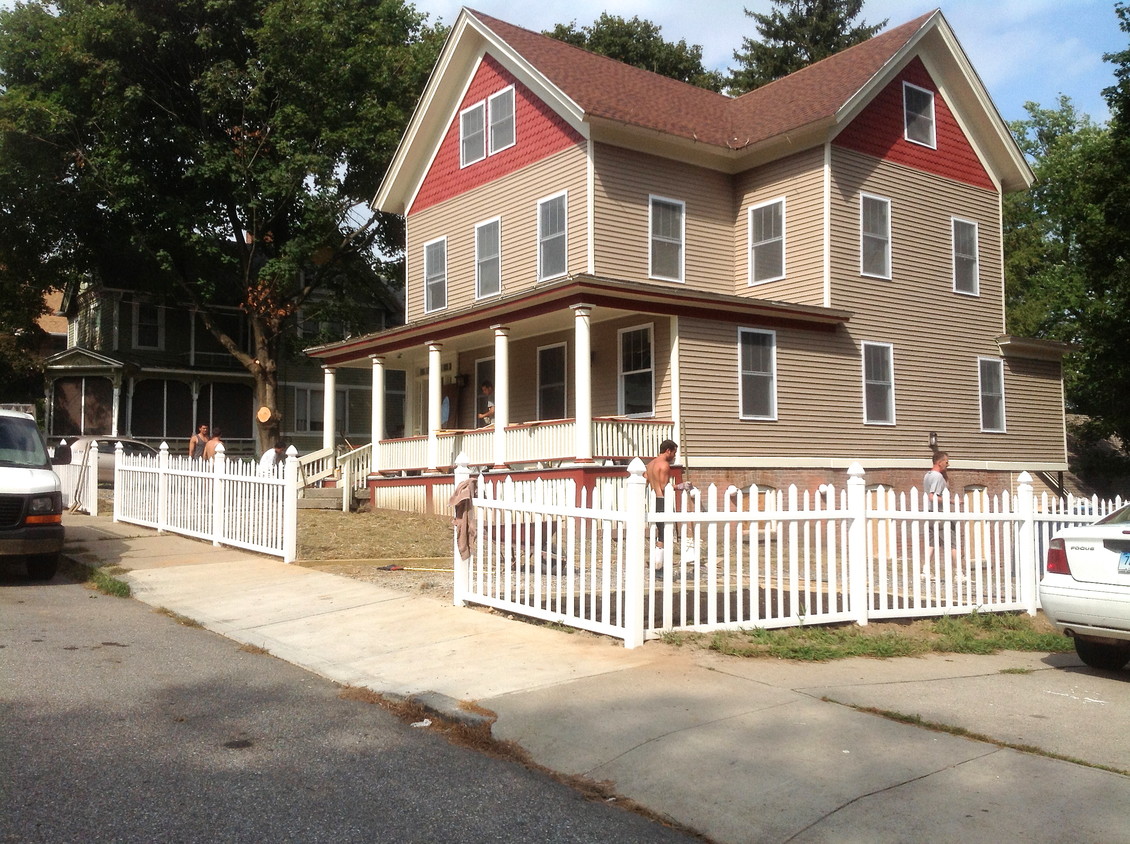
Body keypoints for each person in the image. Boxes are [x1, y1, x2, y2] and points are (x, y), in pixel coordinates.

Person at [924, 450, 960, 584]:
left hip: (930, 513)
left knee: (931, 543)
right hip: (939, 514)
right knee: (952, 543)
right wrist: (951, 501)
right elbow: (932, 496)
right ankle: (958, 573)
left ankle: (926, 570)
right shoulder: (937, 477)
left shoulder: (927, 475)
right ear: (940, 462)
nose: (948, 464)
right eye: (946, 461)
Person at [646, 440, 678, 564]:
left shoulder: (650, 464)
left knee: (660, 531)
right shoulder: (664, 465)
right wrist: (680, 486)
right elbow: (665, 487)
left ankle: (657, 562)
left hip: (654, 499)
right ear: (668, 451)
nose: (674, 456)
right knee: (664, 533)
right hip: (663, 500)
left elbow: (645, 478)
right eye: (674, 453)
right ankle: (659, 565)